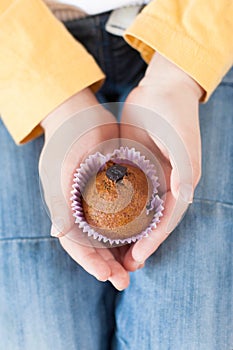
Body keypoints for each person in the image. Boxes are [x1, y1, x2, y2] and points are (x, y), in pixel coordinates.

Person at [0, 1, 232, 349]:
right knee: (45, 338)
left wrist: (177, 74)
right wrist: (54, 101)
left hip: (197, 35)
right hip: (19, 51)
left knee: (189, 336)